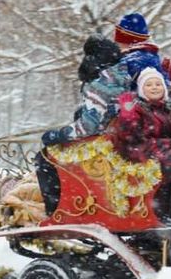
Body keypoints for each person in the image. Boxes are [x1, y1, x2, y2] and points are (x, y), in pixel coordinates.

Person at [36, 35, 132, 215]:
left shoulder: (100, 84)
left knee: (44, 158)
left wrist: (58, 135)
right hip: (119, 138)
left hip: (103, 142)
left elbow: (88, 127)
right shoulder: (124, 76)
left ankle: (55, 210)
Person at [110, 67, 171, 227]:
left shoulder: (168, 108)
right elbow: (132, 136)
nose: (154, 88)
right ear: (142, 89)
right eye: (149, 85)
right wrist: (127, 115)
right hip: (143, 151)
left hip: (165, 149)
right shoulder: (138, 109)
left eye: (158, 84)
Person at [114, 12, 164, 80]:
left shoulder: (132, 61)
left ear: (128, 43)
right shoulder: (150, 56)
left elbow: (108, 83)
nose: (118, 46)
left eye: (119, 42)